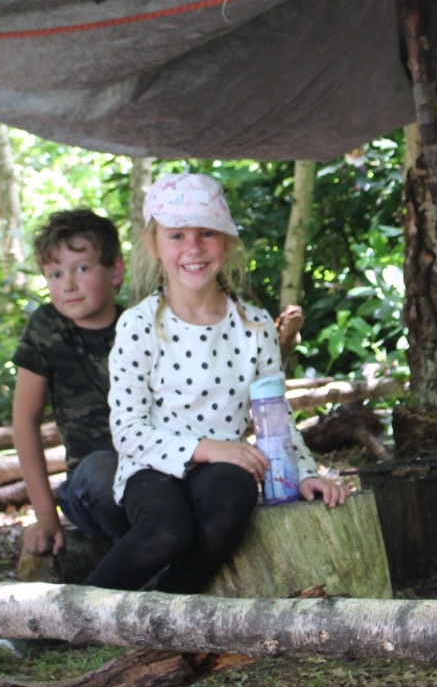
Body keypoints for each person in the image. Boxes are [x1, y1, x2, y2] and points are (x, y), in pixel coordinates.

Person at [96, 172, 348, 592]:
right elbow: (127, 431)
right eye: (177, 235)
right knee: (167, 531)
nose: (193, 247)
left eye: (207, 233)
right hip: (151, 468)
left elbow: (275, 416)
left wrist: (304, 473)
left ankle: (172, 601)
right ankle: (72, 611)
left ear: (227, 242)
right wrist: (207, 447)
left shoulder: (255, 326)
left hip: (222, 470)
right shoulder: (138, 325)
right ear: (153, 244)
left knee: (234, 494)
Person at [11, 209, 129, 563]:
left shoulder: (138, 326)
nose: (68, 285)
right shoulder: (47, 328)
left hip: (149, 473)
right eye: (55, 274)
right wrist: (45, 516)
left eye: (82, 269)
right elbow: (25, 421)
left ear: (115, 271)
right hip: (90, 486)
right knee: (104, 473)